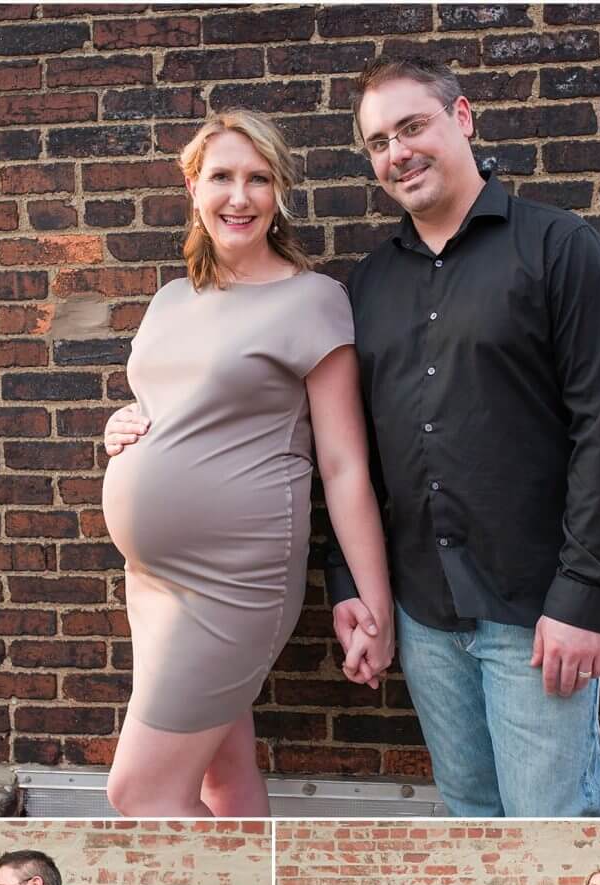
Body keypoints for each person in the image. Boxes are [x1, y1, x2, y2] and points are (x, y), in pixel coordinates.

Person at [328, 57, 600, 818]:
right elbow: (349, 459)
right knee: (468, 819)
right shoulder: (367, 285)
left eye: (412, 127)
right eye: (378, 143)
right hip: (423, 617)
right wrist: (351, 589)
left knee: (549, 832)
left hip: (537, 615)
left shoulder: (561, 249)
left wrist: (583, 598)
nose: (396, 153)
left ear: (462, 118)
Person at [101, 108, 394, 819]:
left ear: (279, 192)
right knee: (220, 783)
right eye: (223, 177)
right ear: (194, 187)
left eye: (258, 178)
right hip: (153, 581)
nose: (240, 196)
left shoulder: (313, 301)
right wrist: (123, 424)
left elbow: (345, 464)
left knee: (140, 792)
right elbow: (170, 401)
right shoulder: (173, 299)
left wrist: (375, 600)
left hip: (235, 582)